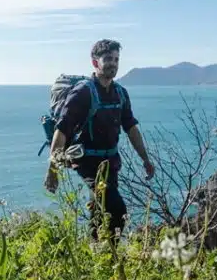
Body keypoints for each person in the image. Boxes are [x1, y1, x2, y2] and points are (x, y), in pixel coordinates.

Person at [44, 39, 155, 241]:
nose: (113, 63)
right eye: (108, 59)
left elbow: (130, 128)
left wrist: (145, 159)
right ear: (95, 63)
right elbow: (62, 131)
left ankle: (95, 253)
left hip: (111, 164)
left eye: (116, 59)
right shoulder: (83, 93)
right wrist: (52, 170)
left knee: (99, 211)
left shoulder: (120, 93)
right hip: (88, 163)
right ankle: (110, 258)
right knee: (117, 211)